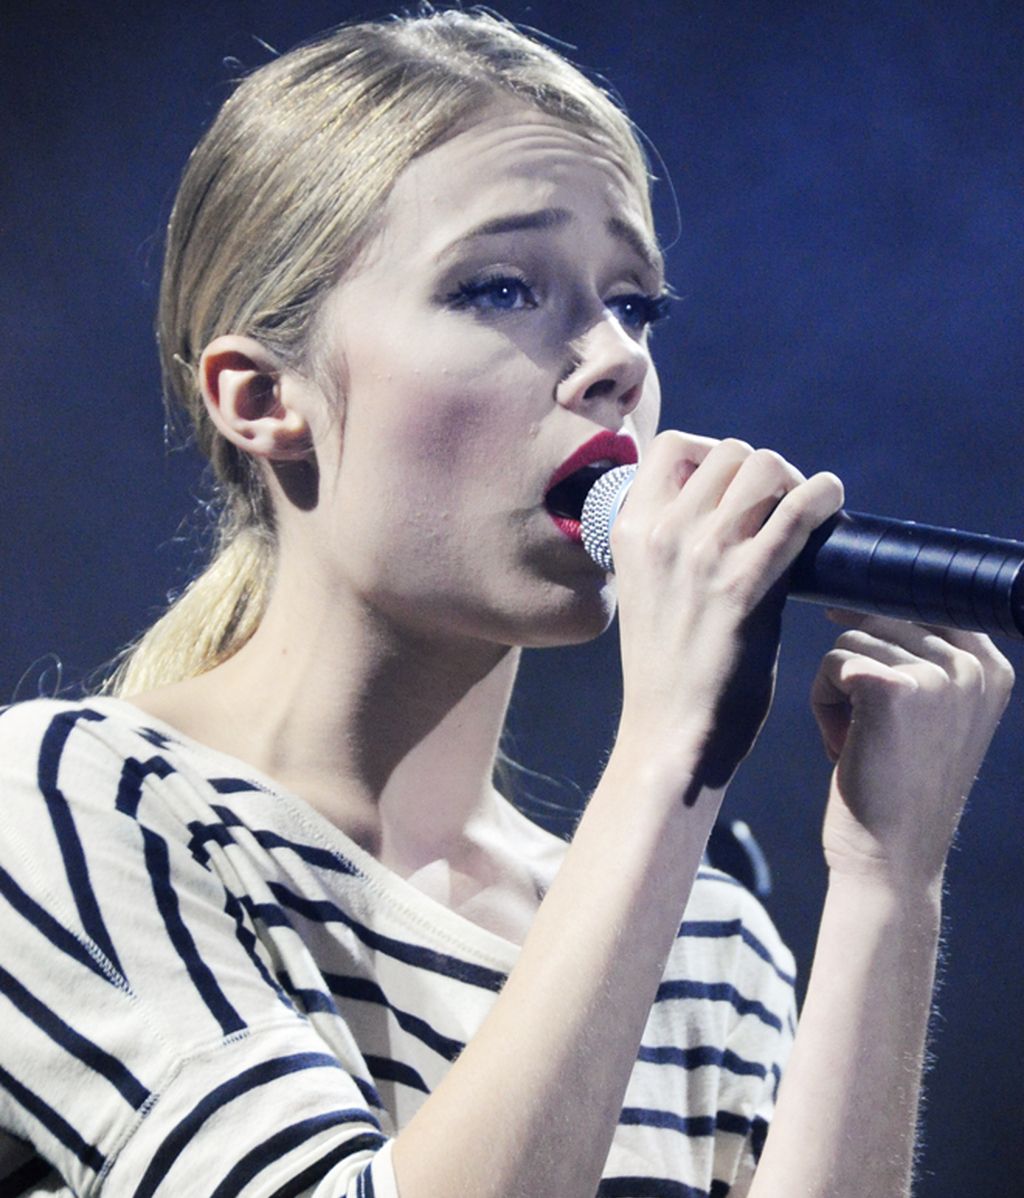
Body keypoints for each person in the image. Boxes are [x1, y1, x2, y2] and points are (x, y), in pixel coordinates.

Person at [0, 10, 1013, 1197]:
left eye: (635, 303)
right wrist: (667, 752)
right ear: (262, 396)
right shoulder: (77, 804)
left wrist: (889, 888)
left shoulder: (705, 945)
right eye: (497, 288)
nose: (614, 361)